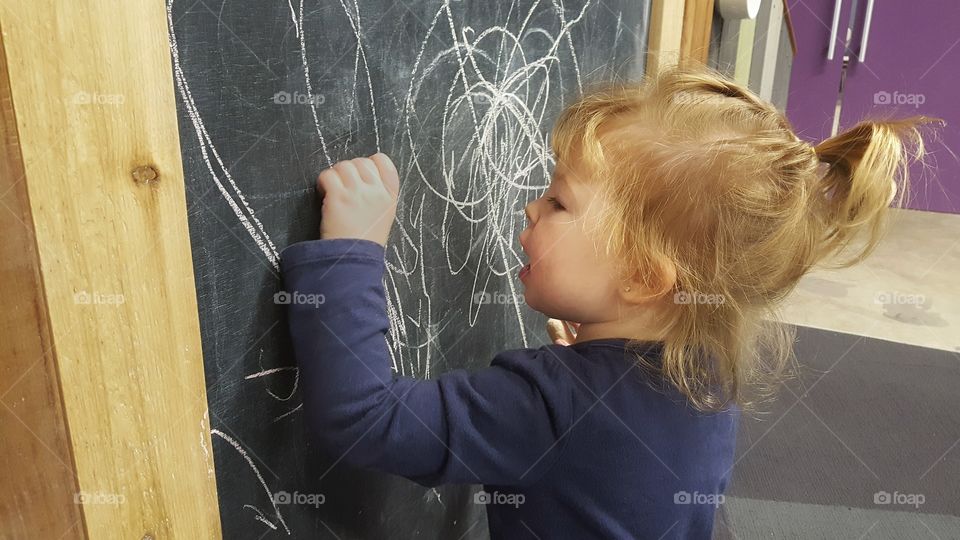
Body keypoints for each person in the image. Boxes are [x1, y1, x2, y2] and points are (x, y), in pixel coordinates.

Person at [279, 64, 940, 539]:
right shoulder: (705, 373)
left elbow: (364, 419)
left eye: (560, 201)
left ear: (644, 279)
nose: (532, 205)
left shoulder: (549, 406)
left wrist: (352, 251)